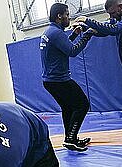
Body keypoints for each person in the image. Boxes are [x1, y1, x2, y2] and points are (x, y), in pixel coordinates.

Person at [41, 3, 96, 152]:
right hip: (59, 80)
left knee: (68, 108)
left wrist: (75, 34)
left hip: (50, 81)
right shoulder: (56, 33)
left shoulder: (50, 31)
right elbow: (72, 51)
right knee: (82, 104)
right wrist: (87, 35)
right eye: (67, 14)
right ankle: (71, 139)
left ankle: (70, 139)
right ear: (59, 16)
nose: (69, 17)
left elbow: (62, 48)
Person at [74, 0, 122, 90]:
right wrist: (86, 28)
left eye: (112, 13)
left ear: (120, 7)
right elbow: (107, 31)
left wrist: (88, 20)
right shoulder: (120, 16)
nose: (111, 17)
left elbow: (114, 29)